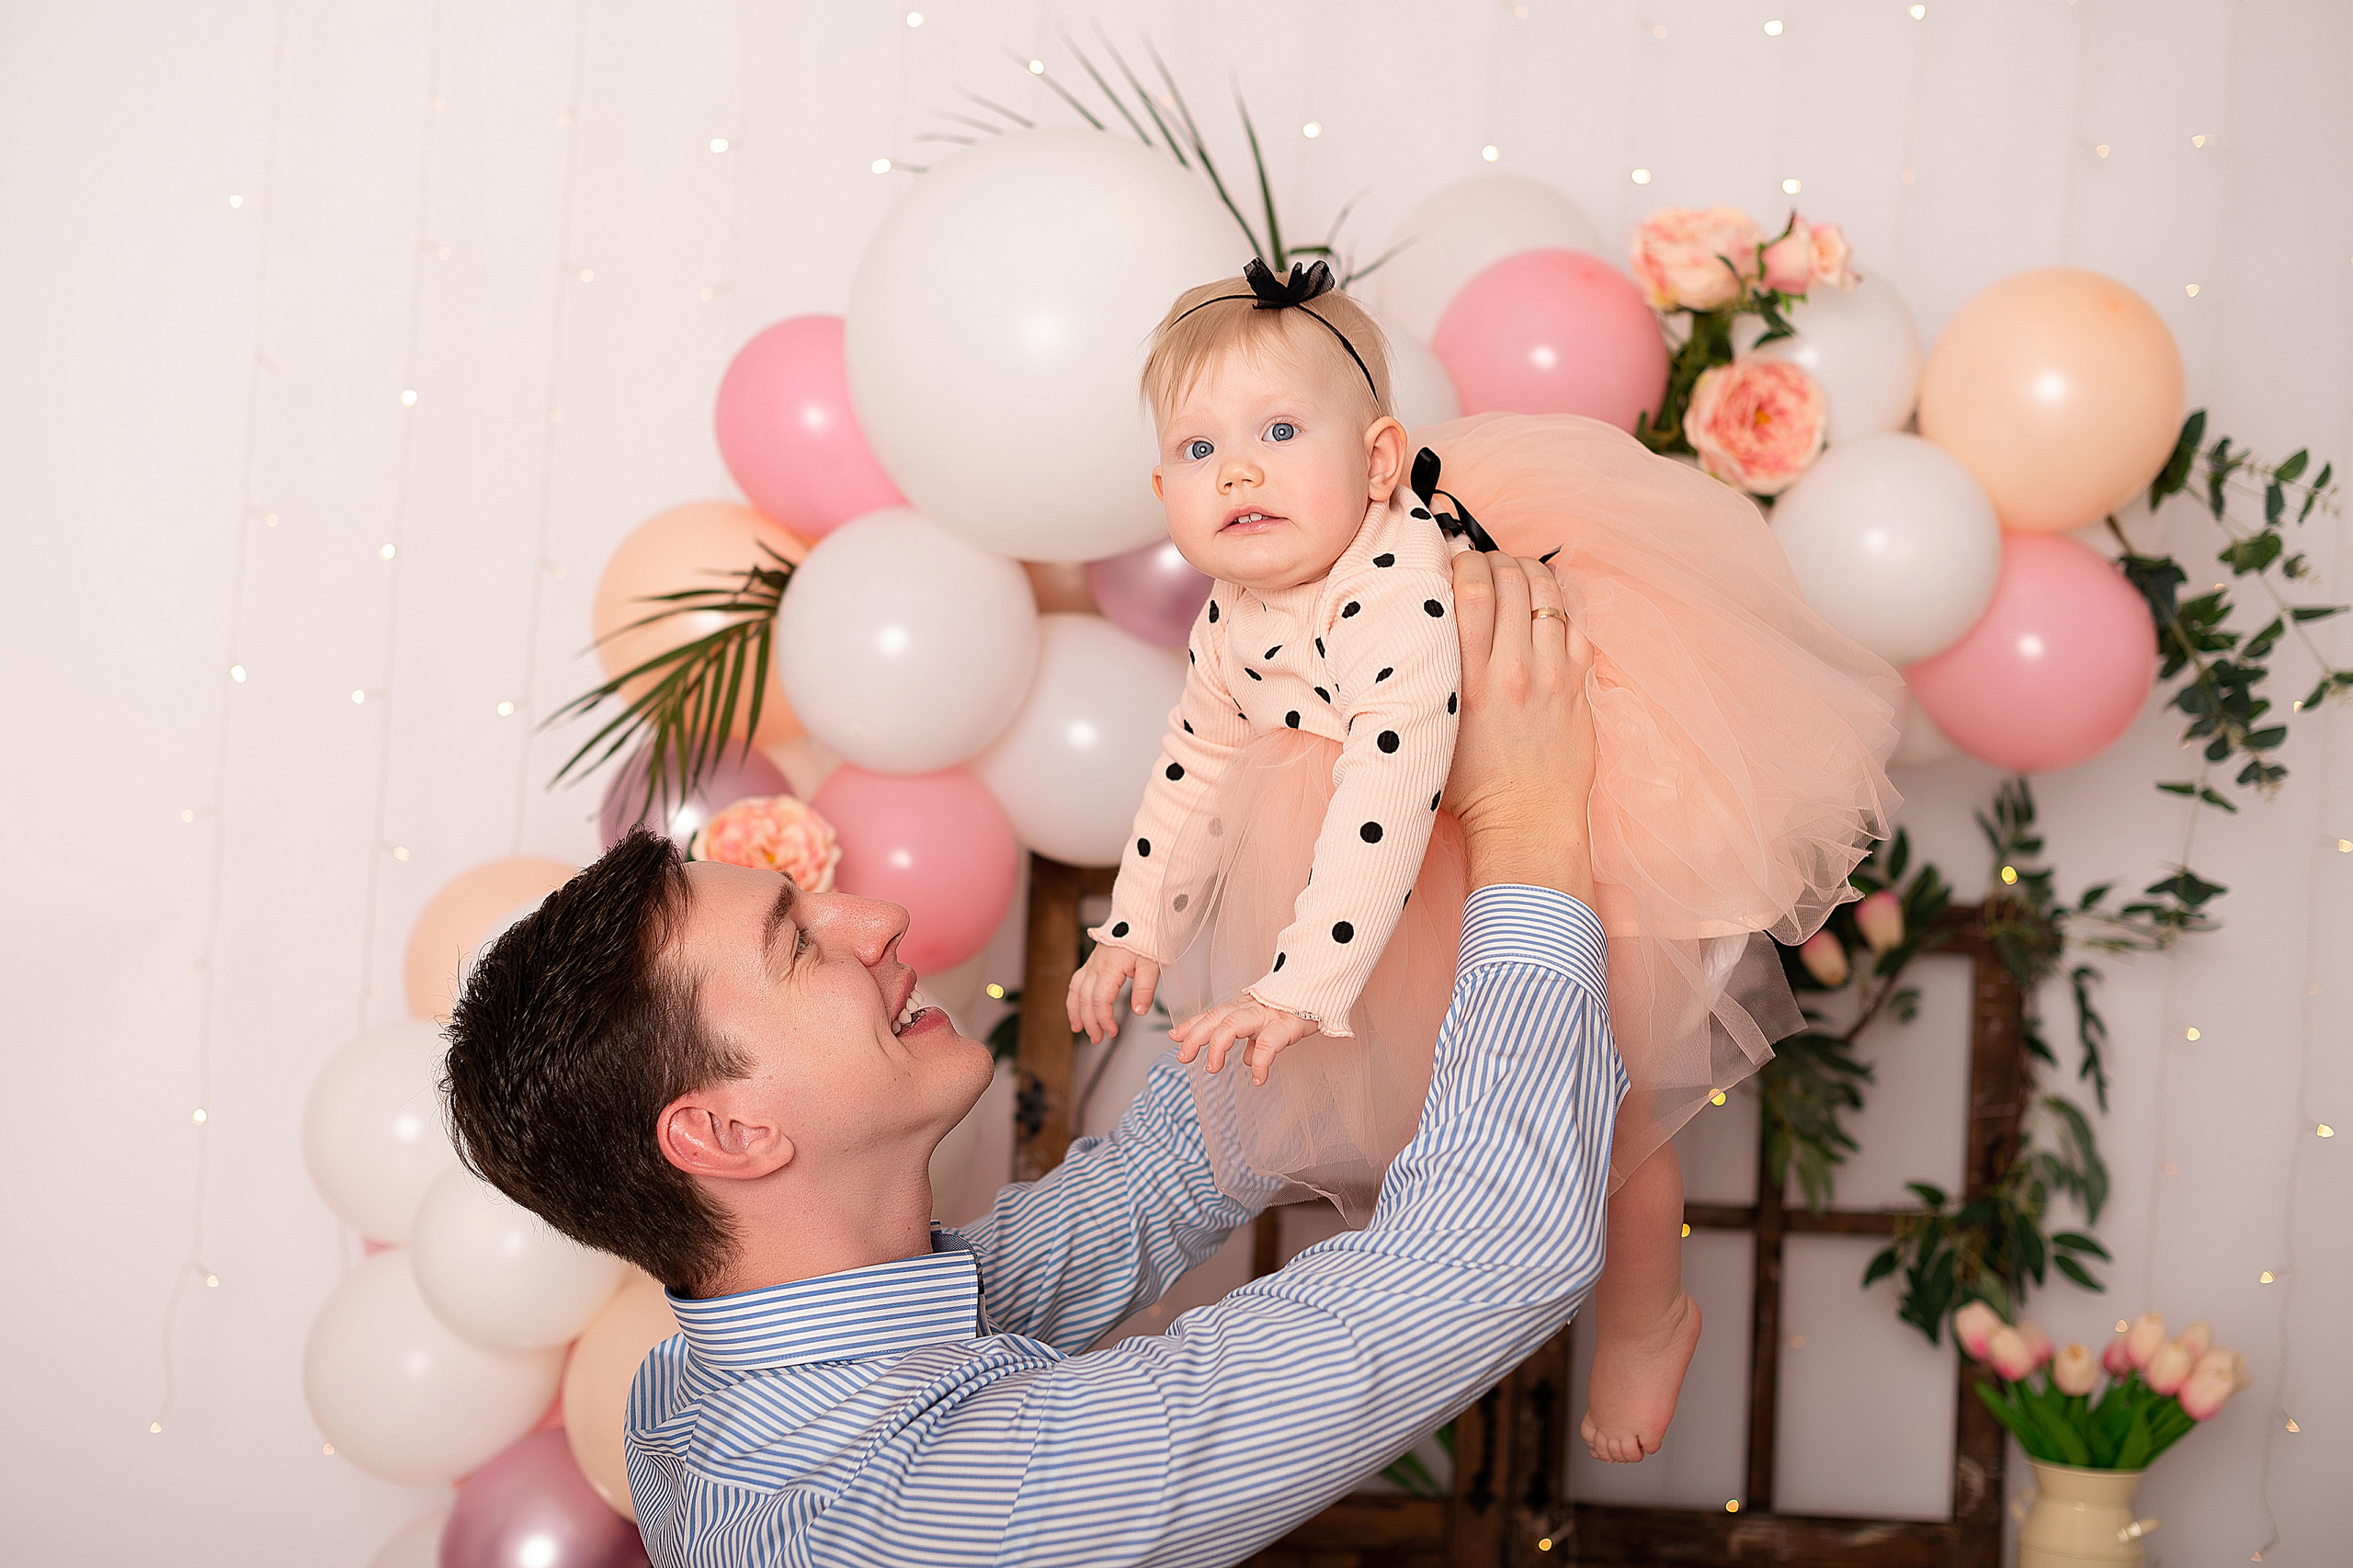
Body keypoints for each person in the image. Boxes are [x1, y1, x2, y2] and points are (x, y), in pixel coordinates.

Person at [444, 549, 1620, 1566]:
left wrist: (1354, 842)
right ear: (728, 1131)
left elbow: (1168, 1170)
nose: (878, 918)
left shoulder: (709, 1383)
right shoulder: (912, 1508)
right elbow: (1494, 1245)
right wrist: (1526, 813)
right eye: (798, 942)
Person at [1066, 259, 1900, 1463]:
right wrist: (1137, 924)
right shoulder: (1233, 614)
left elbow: (1387, 792)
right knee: (1449, 1097)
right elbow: (1194, 762)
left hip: (1556, 791)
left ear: (1378, 463)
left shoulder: (1396, 597)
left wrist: (1298, 986)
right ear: (1162, 492)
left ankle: (1649, 1314)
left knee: (1602, 1102)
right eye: (1200, 450)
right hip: (1397, 839)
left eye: (1279, 432)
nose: (1237, 470)